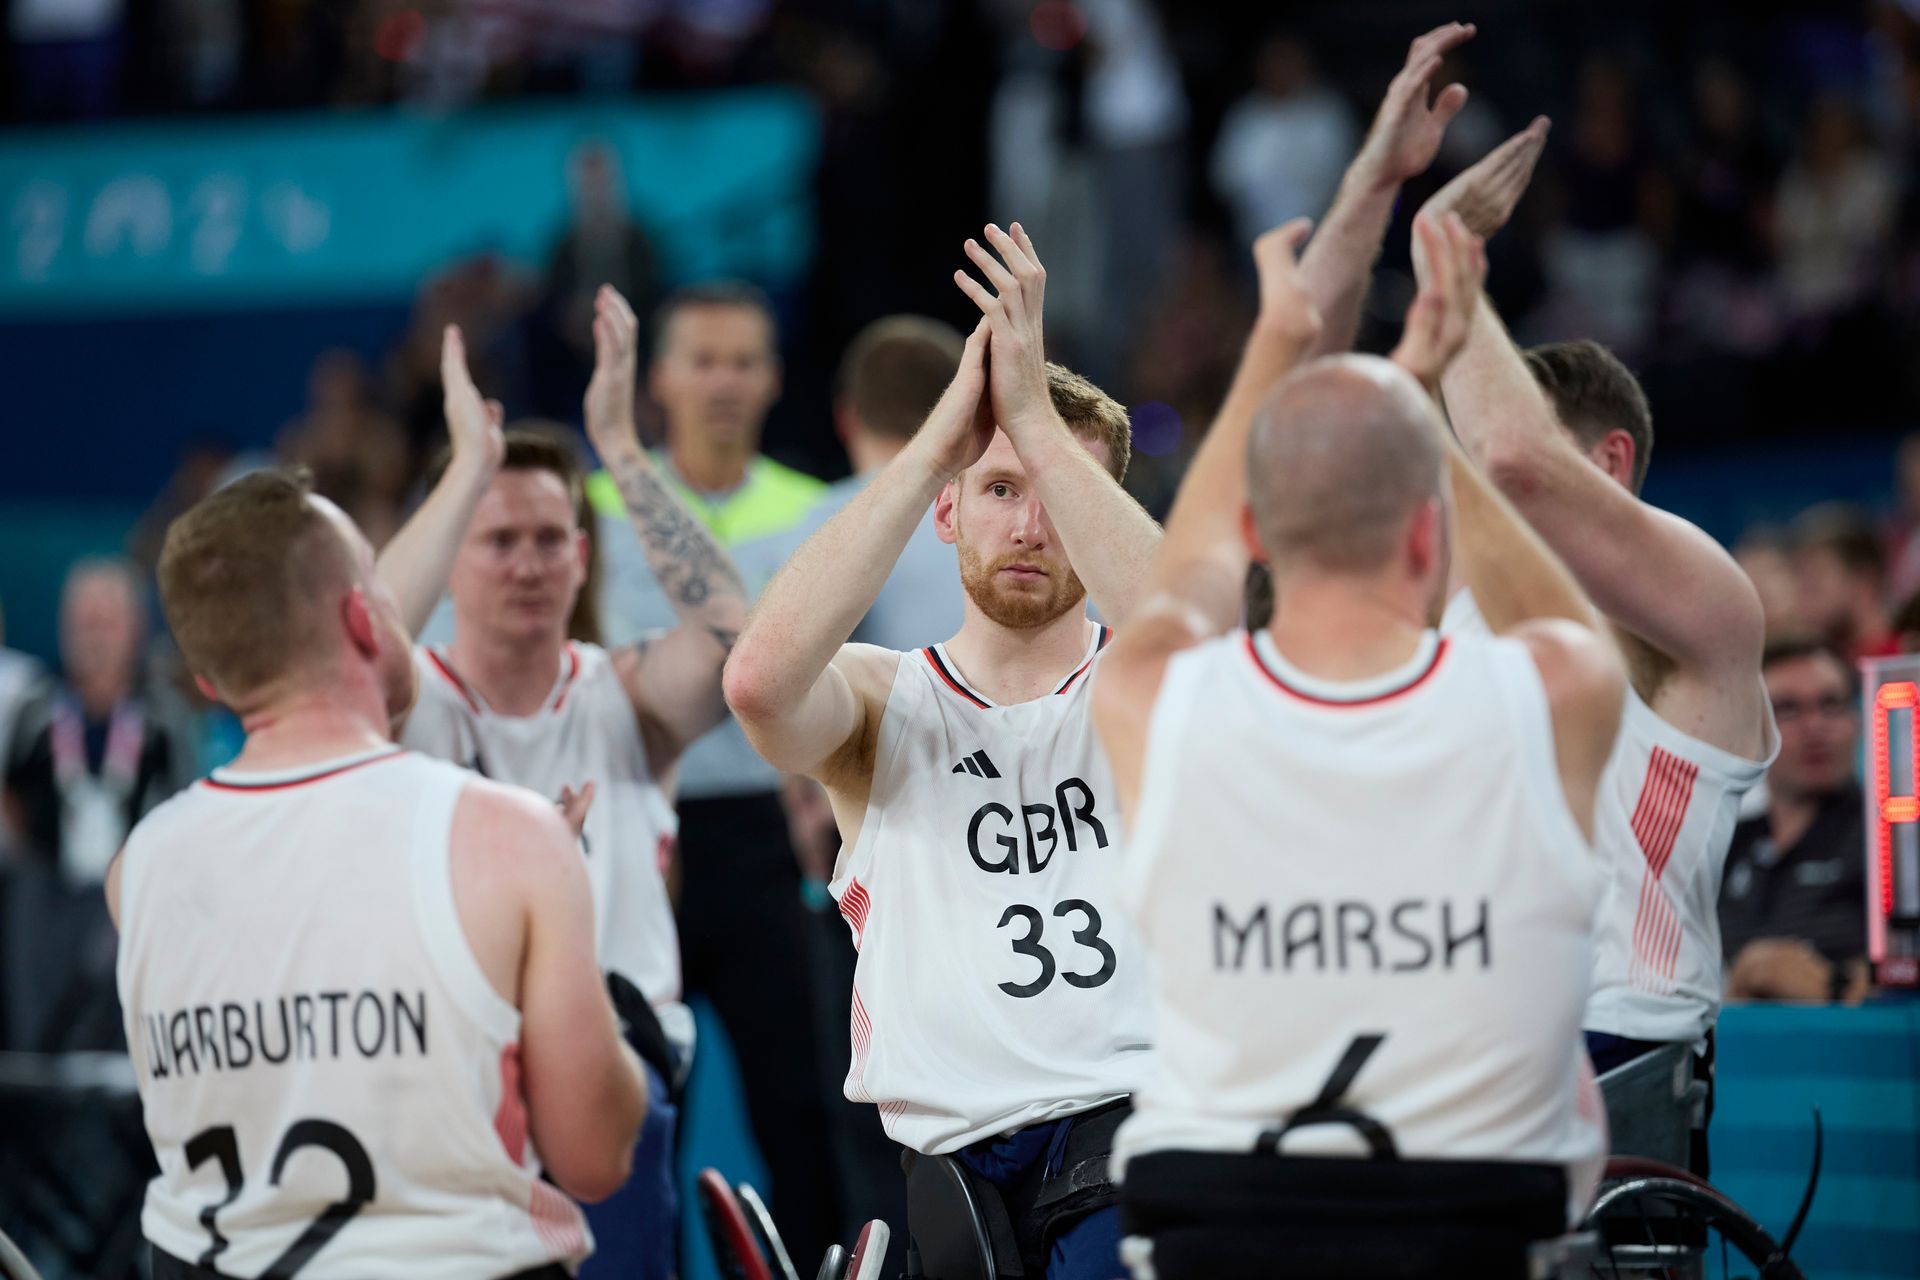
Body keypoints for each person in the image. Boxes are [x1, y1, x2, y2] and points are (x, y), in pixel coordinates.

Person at [1095, 210, 1622, 1280]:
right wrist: (1416, 413)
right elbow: (1567, 624)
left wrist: (1279, 344)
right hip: (1472, 1228)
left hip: (1220, 1227)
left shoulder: (1156, 696)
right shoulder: (1552, 690)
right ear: (1427, 533)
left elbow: (1189, 564)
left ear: (1259, 536)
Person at [725, 222, 1161, 1279]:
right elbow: (758, 683)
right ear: (946, 514)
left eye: (1059, 495)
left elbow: (1207, 639)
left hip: (1137, 1139)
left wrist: (1034, 427)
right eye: (1001, 490)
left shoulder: (1153, 684)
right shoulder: (886, 695)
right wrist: (937, 439)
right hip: (951, 1182)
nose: (1030, 524)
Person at [110, 469, 647, 1279]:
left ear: (209, 682)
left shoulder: (138, 867)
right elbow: (596, 1156)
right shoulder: (508, 839)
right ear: (364, 617)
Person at [383, 288, 744, 1280]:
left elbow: (732, 646)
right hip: (452, 1067)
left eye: (552, 538)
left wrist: (622, 448)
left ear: (584, 553)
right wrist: (466, 473)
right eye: (499, 538)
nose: (530, 563)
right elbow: (353, 644)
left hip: (618, 1060)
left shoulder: (623, 688)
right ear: (454, 553)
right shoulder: (406, 699)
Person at [1416, 122, 1778, 1084]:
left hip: (1614, 1035)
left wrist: (1446, 249)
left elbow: (1510, 459)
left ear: (1609, 460)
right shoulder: (1463, 596)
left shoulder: (1704, 595)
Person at [590, 279, 843, 1263]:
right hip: (632, 834)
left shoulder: (818, 512)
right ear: (659, 378)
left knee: (803, 1105)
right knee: (636, 1115)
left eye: (744, 359)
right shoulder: (594, 509)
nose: (724, 381)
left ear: (776, 376)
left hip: (770, 835)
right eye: (703, 359)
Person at [5, 558, 184, 886]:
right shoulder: (36, 708)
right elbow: (11, 801)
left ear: (137, 630)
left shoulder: (165, 716)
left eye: (107, 624)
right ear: (64, 629)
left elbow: (186, 799)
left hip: (137, 888)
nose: (95, 640)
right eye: (86, 624)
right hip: (46, 894)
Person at [1720, 641, 1870, 1002]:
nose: (1815, 727)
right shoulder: (1731, 842)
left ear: (1856, 721)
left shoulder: (1886, 839)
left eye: (1831, 705)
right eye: (1788, 709)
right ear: (1752, 731)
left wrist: (1833, 984)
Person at [1791, 502, 1898, 660]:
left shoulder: (1906, 657)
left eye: (1814, 583)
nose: (1803, 600)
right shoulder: (1822, 664)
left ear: (1864, 584)